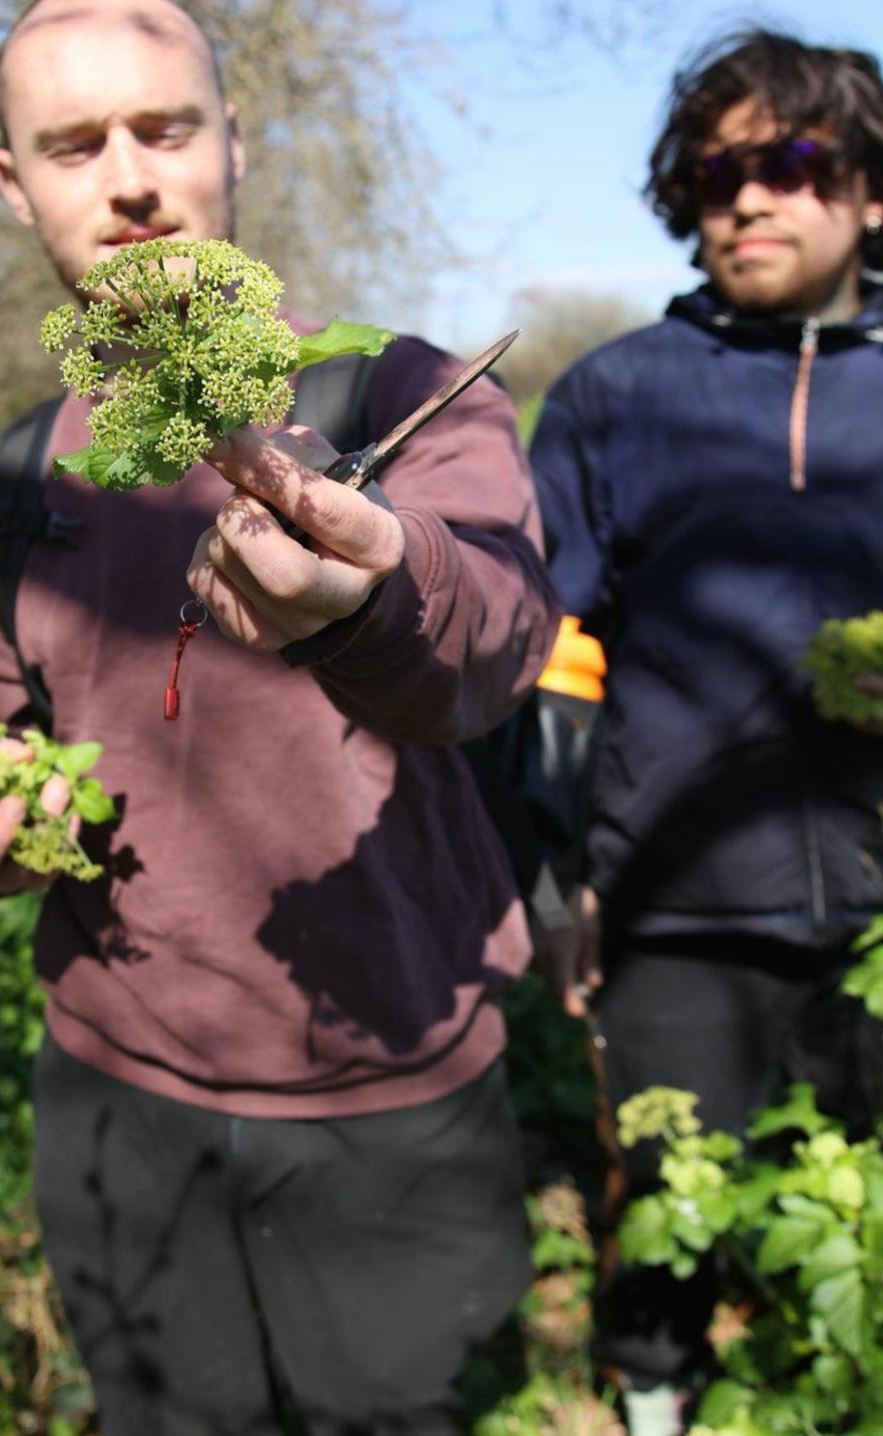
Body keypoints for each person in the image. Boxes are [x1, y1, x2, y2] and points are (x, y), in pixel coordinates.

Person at [0, 2, 560, 1432]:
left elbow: (499, 639)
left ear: (234, 142)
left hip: (392, 1083)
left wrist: (377, 592)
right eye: (74, 145)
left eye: (166, 126)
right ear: (16, 184)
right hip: (118, 1097)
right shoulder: (2, 494)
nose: (129, 178)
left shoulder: (402, 390)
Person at [529, 28, 883, 1435]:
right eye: (716, 169)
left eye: (796, 161)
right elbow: (549, 653)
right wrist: (559, 875)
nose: (749, 196)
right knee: (667, 1222)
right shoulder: (618, 396)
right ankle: (660, 1409)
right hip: (675, 906)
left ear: (871, 191)